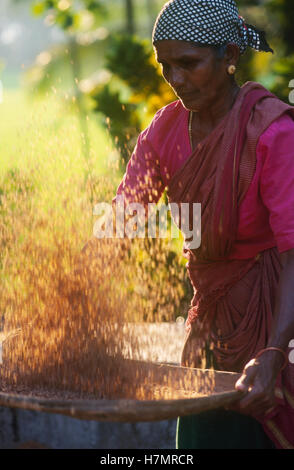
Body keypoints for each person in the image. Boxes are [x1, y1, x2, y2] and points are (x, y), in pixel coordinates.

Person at [111, 0, 294, 449]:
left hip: (278, 325)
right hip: (211, 323)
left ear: (229, 56)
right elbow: (122, 222)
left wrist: (273, 352)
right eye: (165, 65)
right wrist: (72, 303)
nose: (175, 80)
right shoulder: (164, 131)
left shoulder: (272, 133)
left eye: (188, 64)